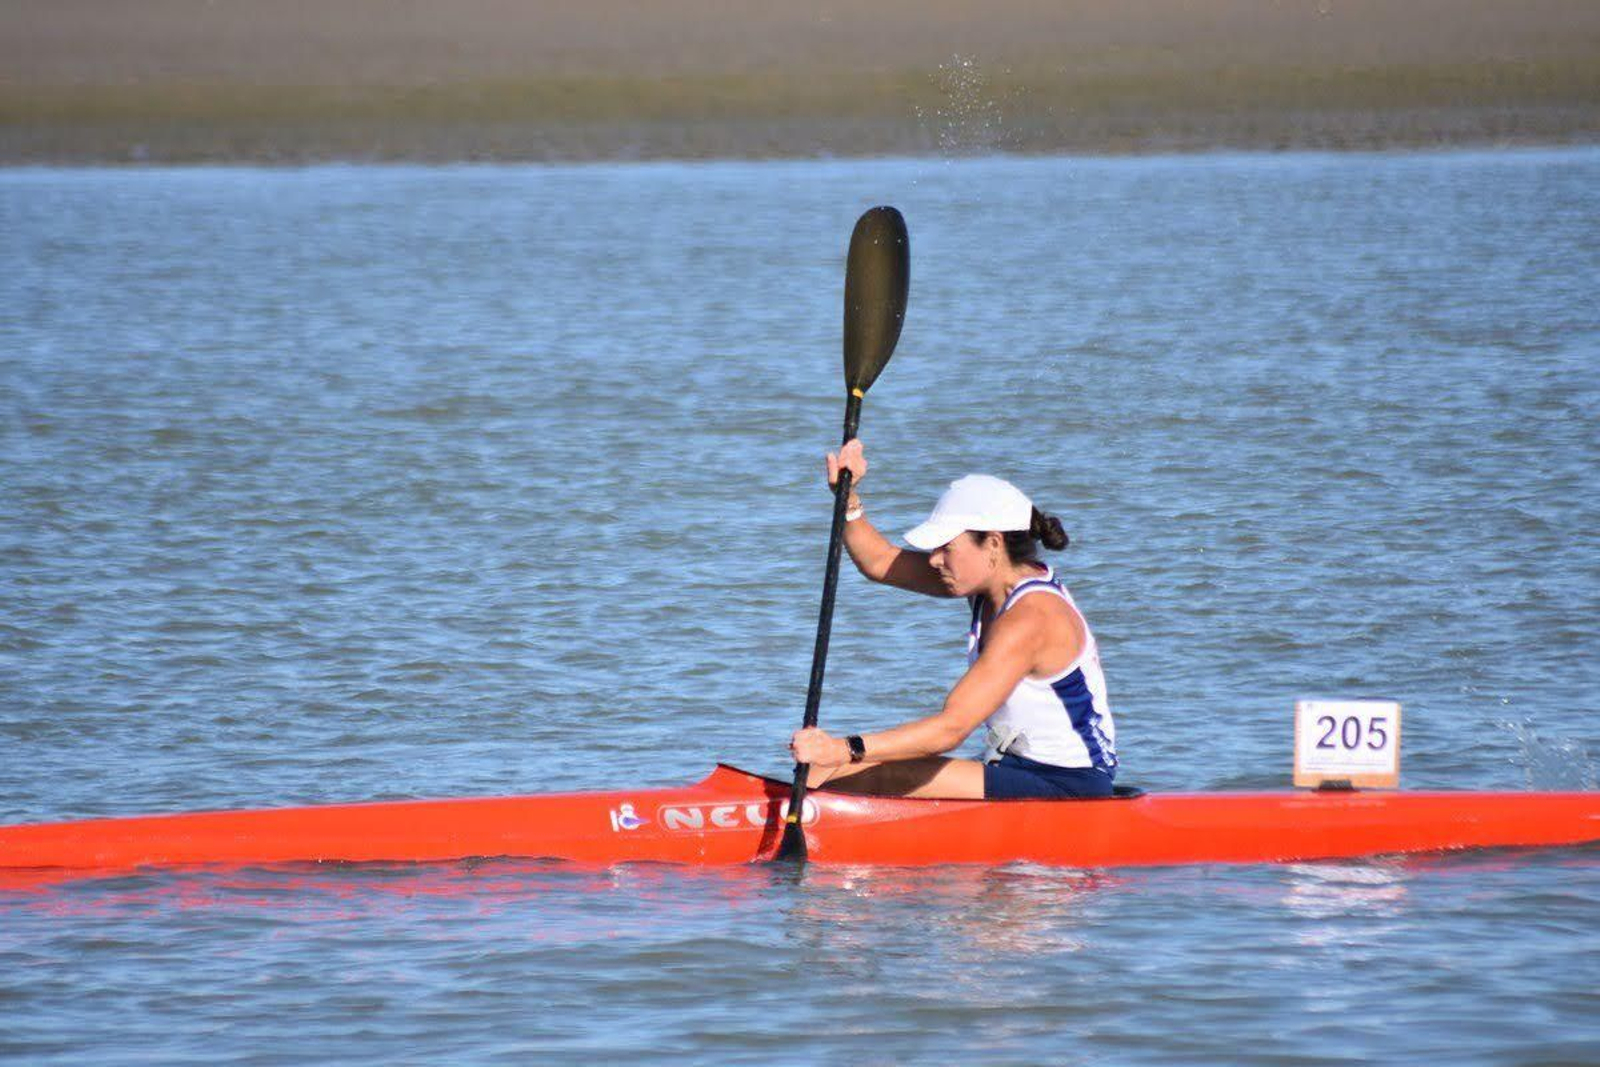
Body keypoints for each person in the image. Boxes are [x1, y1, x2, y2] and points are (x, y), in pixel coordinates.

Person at [789, 439, 1117, 800]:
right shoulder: (986, 582)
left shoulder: (1032, 618)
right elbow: (880, 561)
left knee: (872, 774)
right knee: (827, 772)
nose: (933, 559)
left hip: (1068, 785)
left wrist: (844, 748)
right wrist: (847, 500)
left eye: (947, 547)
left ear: (993, 543)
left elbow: (951, 729)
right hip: (1014, 766)